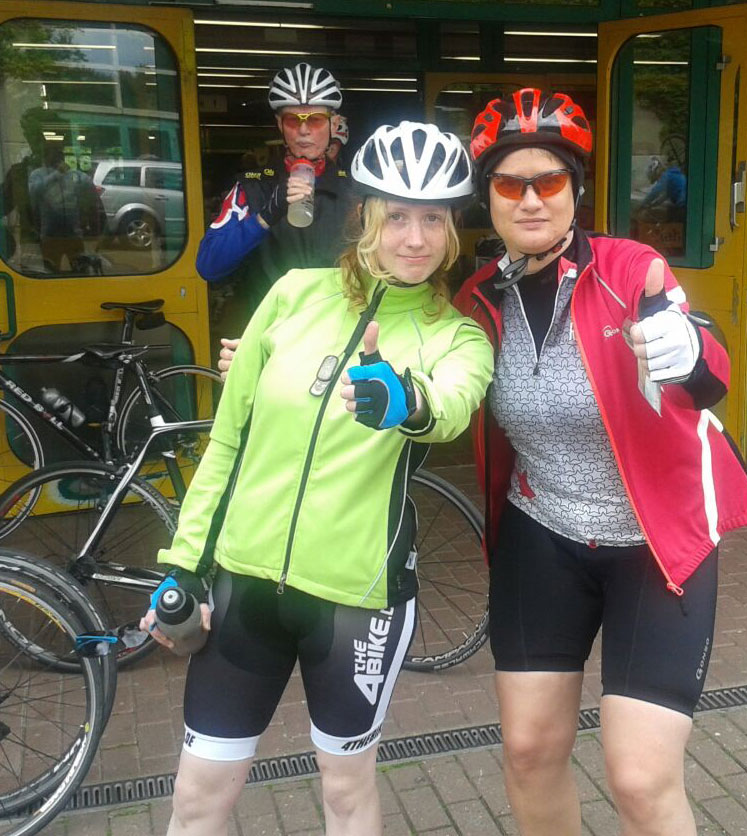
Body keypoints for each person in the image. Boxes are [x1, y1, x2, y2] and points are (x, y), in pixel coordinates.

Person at [141, 120, 493, 836]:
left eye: (433, 219)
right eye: (397, 216)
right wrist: (184, 564)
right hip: (243, 584)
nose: (416, 238)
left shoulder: (458, 336)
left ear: (453, 229)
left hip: (357, 599)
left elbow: (450, 406)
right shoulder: (292, 294)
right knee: (197, 799)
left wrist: (402, 398)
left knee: (345, 791)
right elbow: (227, 443)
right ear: (364, 215)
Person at [453, 88, 747, 836]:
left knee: (641, 780)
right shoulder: (477, 300)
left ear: (575, 190)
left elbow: (704, 362)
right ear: (488, 199)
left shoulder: (630, 269)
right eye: (509, 184)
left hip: (653, 542)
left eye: (548, 181)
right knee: (528, 752)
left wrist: (690, 350)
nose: (530, 200)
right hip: (542, 535)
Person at [196, 62, 356, 309]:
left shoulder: (355, 189)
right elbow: (208, 266)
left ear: (333, 124)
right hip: (272, 327)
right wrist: (264, 217)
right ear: (279, 124)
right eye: (293, 120)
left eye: (315, 120)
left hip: (338, 327)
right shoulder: (252, 186)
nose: (303, 130)